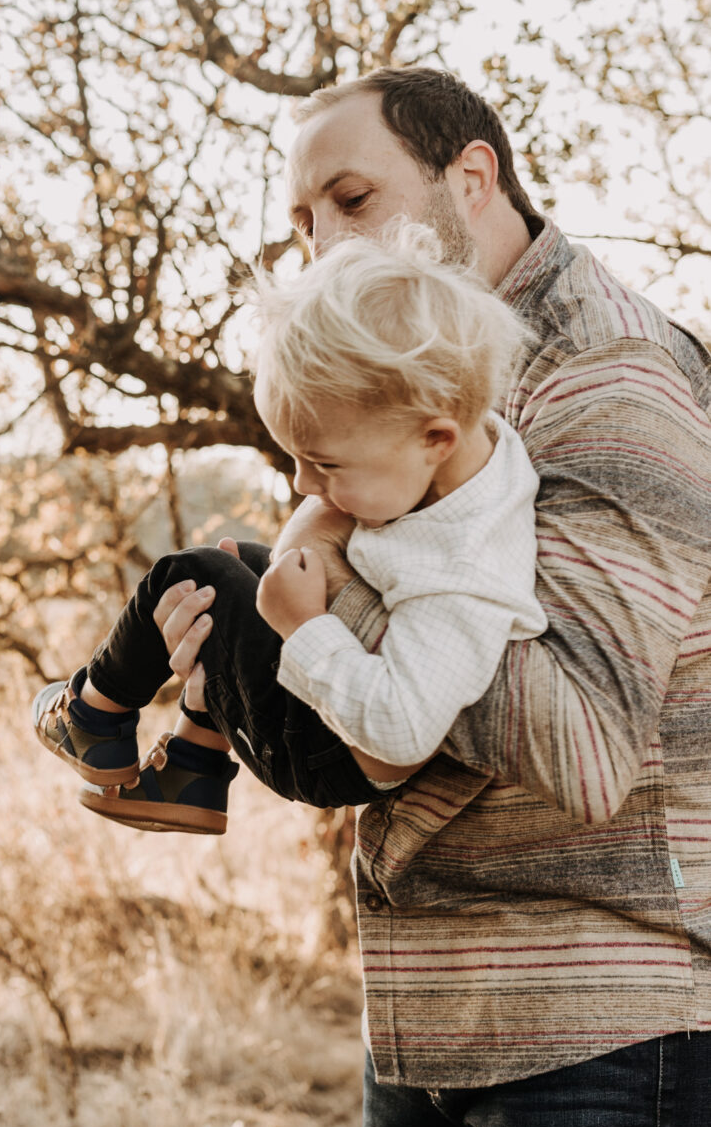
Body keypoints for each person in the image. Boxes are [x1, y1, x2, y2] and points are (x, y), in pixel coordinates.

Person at [135, 68, 711, 1127]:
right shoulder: (384, 386)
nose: (321, 244)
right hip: (430, 1015)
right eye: (297, 221)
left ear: (469, 181)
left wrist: (361, 607)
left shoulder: (606, 386)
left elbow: (588, 742)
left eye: (351, 201)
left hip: (596, 1026)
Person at [33, 229, 545, 838]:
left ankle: (94, 712)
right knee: (246, 570)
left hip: (329, 752)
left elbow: (401, 728)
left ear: (435, 439)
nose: (305, 485)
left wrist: (302, 627)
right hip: (334, 721)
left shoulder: (463, 576)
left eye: (326, 464)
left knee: (197, 576)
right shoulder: (470, 452)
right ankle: (192, 768)